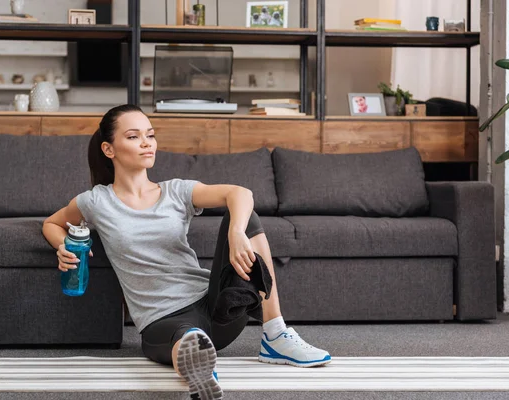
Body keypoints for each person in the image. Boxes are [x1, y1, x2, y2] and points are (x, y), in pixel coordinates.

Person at [42, 104, 331, 399]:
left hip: (215, 307)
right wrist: (63, 245)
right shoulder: (95, 201)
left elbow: (240, 193)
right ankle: (200, 370)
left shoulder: (176, 191)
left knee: (243, 216)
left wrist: (235, 233)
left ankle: (275, 334)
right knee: (189, 337)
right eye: (133, 137)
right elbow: (52, 224)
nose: (146, 143)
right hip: (162, 322)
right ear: (109, 149)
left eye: (150, 135)